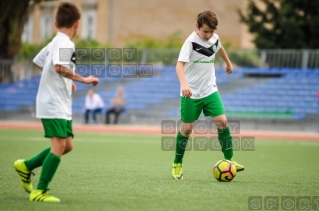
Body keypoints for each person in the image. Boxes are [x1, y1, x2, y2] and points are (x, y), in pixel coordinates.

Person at [13, 2, 99, 202]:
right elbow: (59, 67)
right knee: (59, 145)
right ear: (77, 24)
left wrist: (65, 81)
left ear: (55, 22)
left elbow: (39, 61)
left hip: (58, 102)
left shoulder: (55, 42)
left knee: (67, 145)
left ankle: (25, 166)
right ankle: (39, 191)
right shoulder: (66, 44)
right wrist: (83, 79)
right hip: (53, 103)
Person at [172, 10, 244, 180]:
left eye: (212, 31)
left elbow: (219, 47)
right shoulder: (190, 42)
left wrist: (228, 62)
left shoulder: (214, 38)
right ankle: (177, 163)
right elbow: (179, 65)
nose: (209, 34)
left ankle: (230, 160)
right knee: (187, 129)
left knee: (222, 122)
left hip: (210, 90)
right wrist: (184, 85)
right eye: (205, 31)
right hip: (191, 93)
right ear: (197, 27)